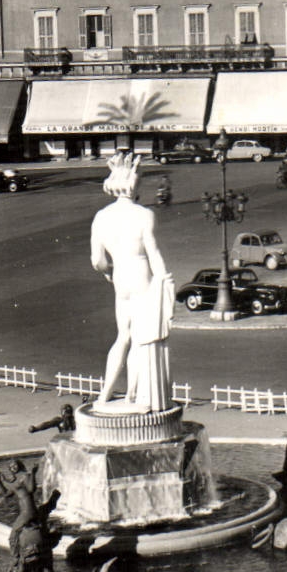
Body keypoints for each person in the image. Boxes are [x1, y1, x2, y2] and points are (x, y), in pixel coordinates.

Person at [91, 153, 173, 413]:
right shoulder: (144, 215)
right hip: (141, 276)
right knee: (140, 339)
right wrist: (165, 280)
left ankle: (104, 395)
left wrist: (109, 273)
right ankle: (132, 395)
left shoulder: (101, 217)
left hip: (120, 279)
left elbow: (98, 261)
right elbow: (154, 253)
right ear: (134, 185)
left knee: (122, 337)